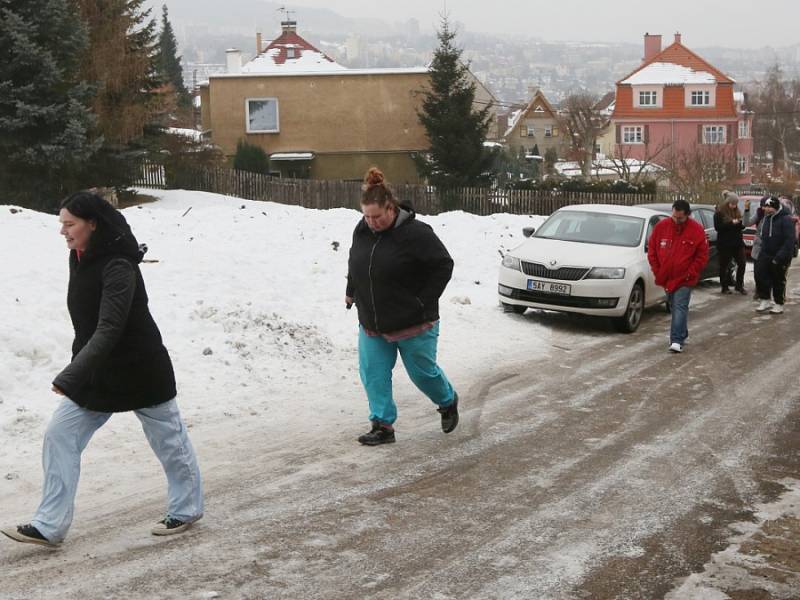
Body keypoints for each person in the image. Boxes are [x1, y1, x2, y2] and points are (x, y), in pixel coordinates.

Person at [1, 192, 203, 547]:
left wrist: (71, 374)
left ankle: (186, 509)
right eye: (61, 223)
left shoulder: (118, 266)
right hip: (98, 371)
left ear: (92, 224)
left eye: (70, 224)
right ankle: (49, 525)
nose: (63, 231)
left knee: (169, 442)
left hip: (141, 367)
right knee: (60, 434)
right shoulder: (79, 257)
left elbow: (110, 327)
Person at [346, 167, 458, 445]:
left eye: (377, 216)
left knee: (422, 374)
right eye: (366, 216)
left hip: (414, 323)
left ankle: (447, 400)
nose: (371, 222)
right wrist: (351, 291)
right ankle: (383, 425)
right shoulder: (362, 229)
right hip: (373, 321)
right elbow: (356, 262)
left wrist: (423, 300)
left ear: (391, 208)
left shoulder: (416, 233)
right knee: (373, 374)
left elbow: (443, 265)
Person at [647, 199, 709, 353]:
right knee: (674, 306)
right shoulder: (662, 227)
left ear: (687, 215)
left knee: (680, 306)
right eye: (674, 216)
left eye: (680, 218)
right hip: (666, 277)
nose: (676, 220)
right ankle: (682, 332)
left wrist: (691, 272)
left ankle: (676, 340)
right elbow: (652, 250)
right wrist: (657, 270)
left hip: (685, 278)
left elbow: (702, 255)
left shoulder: (696, 230)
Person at [754, 196, 796, 314]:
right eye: (765, 207)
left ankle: (779, 303)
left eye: (768, 207)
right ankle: (765, 299)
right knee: (760, 275)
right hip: (765, 253)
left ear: (775, 207)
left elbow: (789, 241)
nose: (766, 210)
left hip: (780, 255)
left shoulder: (786, 219)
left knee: (778, 280)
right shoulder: (767, 218)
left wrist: (779, 257)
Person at [714, 191, 747, 294]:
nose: (734, 206)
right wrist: (731, 223)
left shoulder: (737, 212)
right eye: (732, 203)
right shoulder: (719, 213)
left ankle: (739, 285)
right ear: (727, 203)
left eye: (735, 204)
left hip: (737, 243)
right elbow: (718, 228)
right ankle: (724, 287)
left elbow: (742, 225)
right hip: (725, 244)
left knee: (742, 263)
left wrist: (739, 223)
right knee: (724, 265)